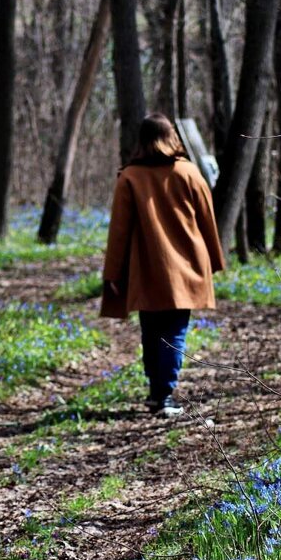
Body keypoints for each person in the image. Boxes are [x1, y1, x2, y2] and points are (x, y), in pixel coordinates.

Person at [100, 113, 226, 417]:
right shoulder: (189, 173)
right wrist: (214, 259)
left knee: (151, 331)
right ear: (173, 137)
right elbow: (207, 220)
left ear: (141, 140)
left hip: (146, 270)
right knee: (174, 332)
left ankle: (157, 393)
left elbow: (119, 230)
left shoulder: (130, 177)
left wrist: (114, 273)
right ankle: (164, 394)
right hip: (186, 267)